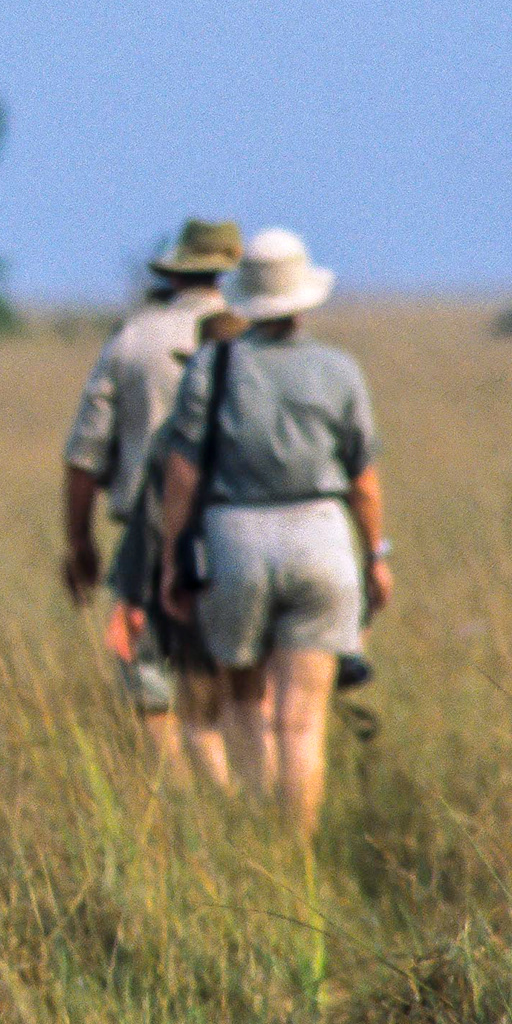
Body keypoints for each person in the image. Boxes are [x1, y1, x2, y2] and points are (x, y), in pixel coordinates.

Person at [151, 229, 387, 833]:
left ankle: (258, 838)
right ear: (304, 297)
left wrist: (176, 556)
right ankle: (297, 854)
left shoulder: (213, 365)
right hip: (322, 538)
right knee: (303, 722)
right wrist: (376, 555)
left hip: (237, 544)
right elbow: (363, 478)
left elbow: (182, 470)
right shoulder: (340, 370)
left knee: (243, 707)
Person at [59, 218, 242, 781]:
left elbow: (84, 457)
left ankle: (187, 805)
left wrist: (80, 543)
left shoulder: (134, 337)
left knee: (148, 674)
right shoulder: (252, 332)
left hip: (152, 528)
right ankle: (239, 804)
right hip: (241, 524)